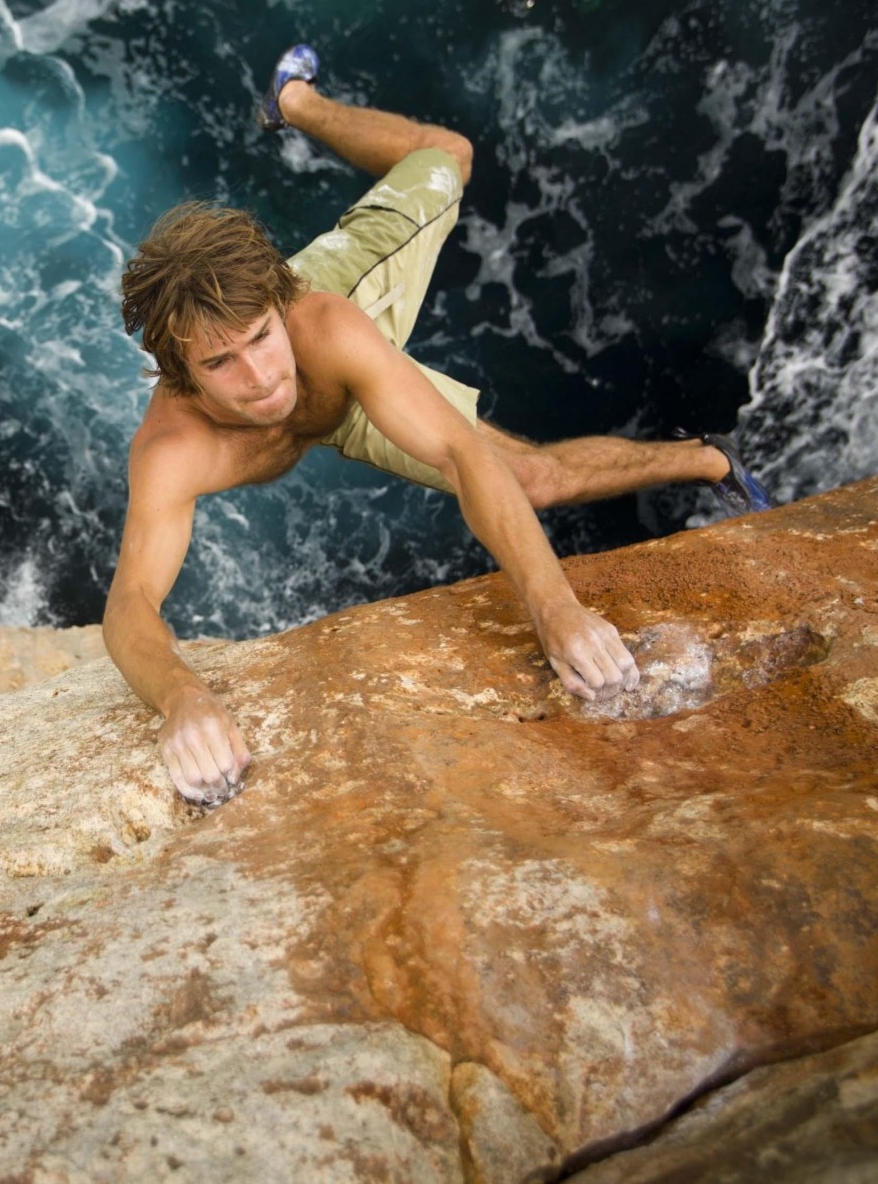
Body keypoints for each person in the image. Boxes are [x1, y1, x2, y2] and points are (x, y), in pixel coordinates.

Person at [103, 44, 771, 805]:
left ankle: (296, 102)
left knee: (450, 155)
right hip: (331, 412)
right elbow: (129, 606)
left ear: (277, 308)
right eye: (222, 364)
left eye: (259, 336)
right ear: (183, 377)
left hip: (344, 355)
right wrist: (182, 699)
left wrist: (556, 608)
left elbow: (458, 452)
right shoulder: (171, 448)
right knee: (524, 478)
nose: (260, 379)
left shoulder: (319, 324)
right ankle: (715, 456)